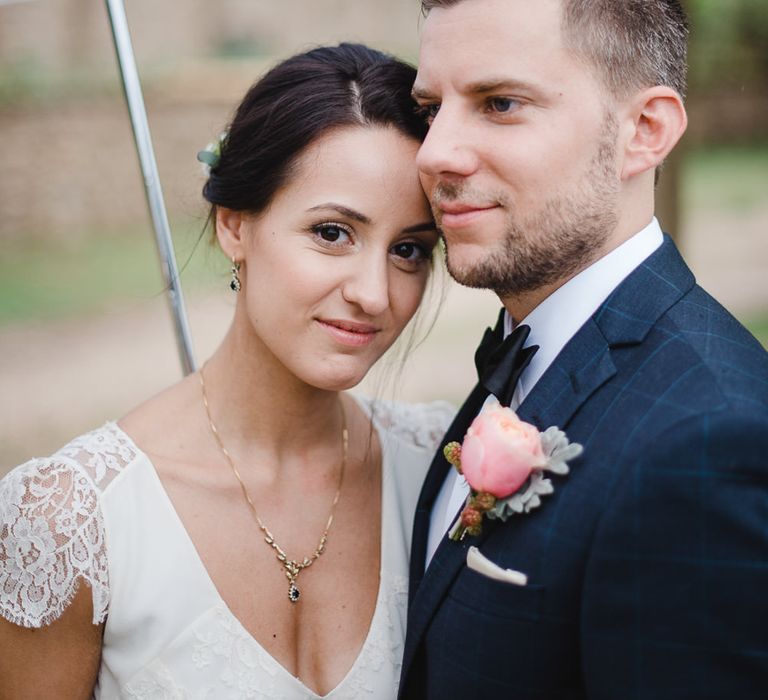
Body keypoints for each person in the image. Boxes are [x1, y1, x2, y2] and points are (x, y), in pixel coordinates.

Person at [0, 43, 454, 699]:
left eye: (409, 249)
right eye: (332, 233)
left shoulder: (437, 474)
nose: (376, 294)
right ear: (235, 225)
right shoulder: (73, 523)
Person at [400, 1, 768, 698]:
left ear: (643, 131)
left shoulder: (710, 441)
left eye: (499, 103)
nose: (433, 153)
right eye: (430, 109)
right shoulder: (531, 348)